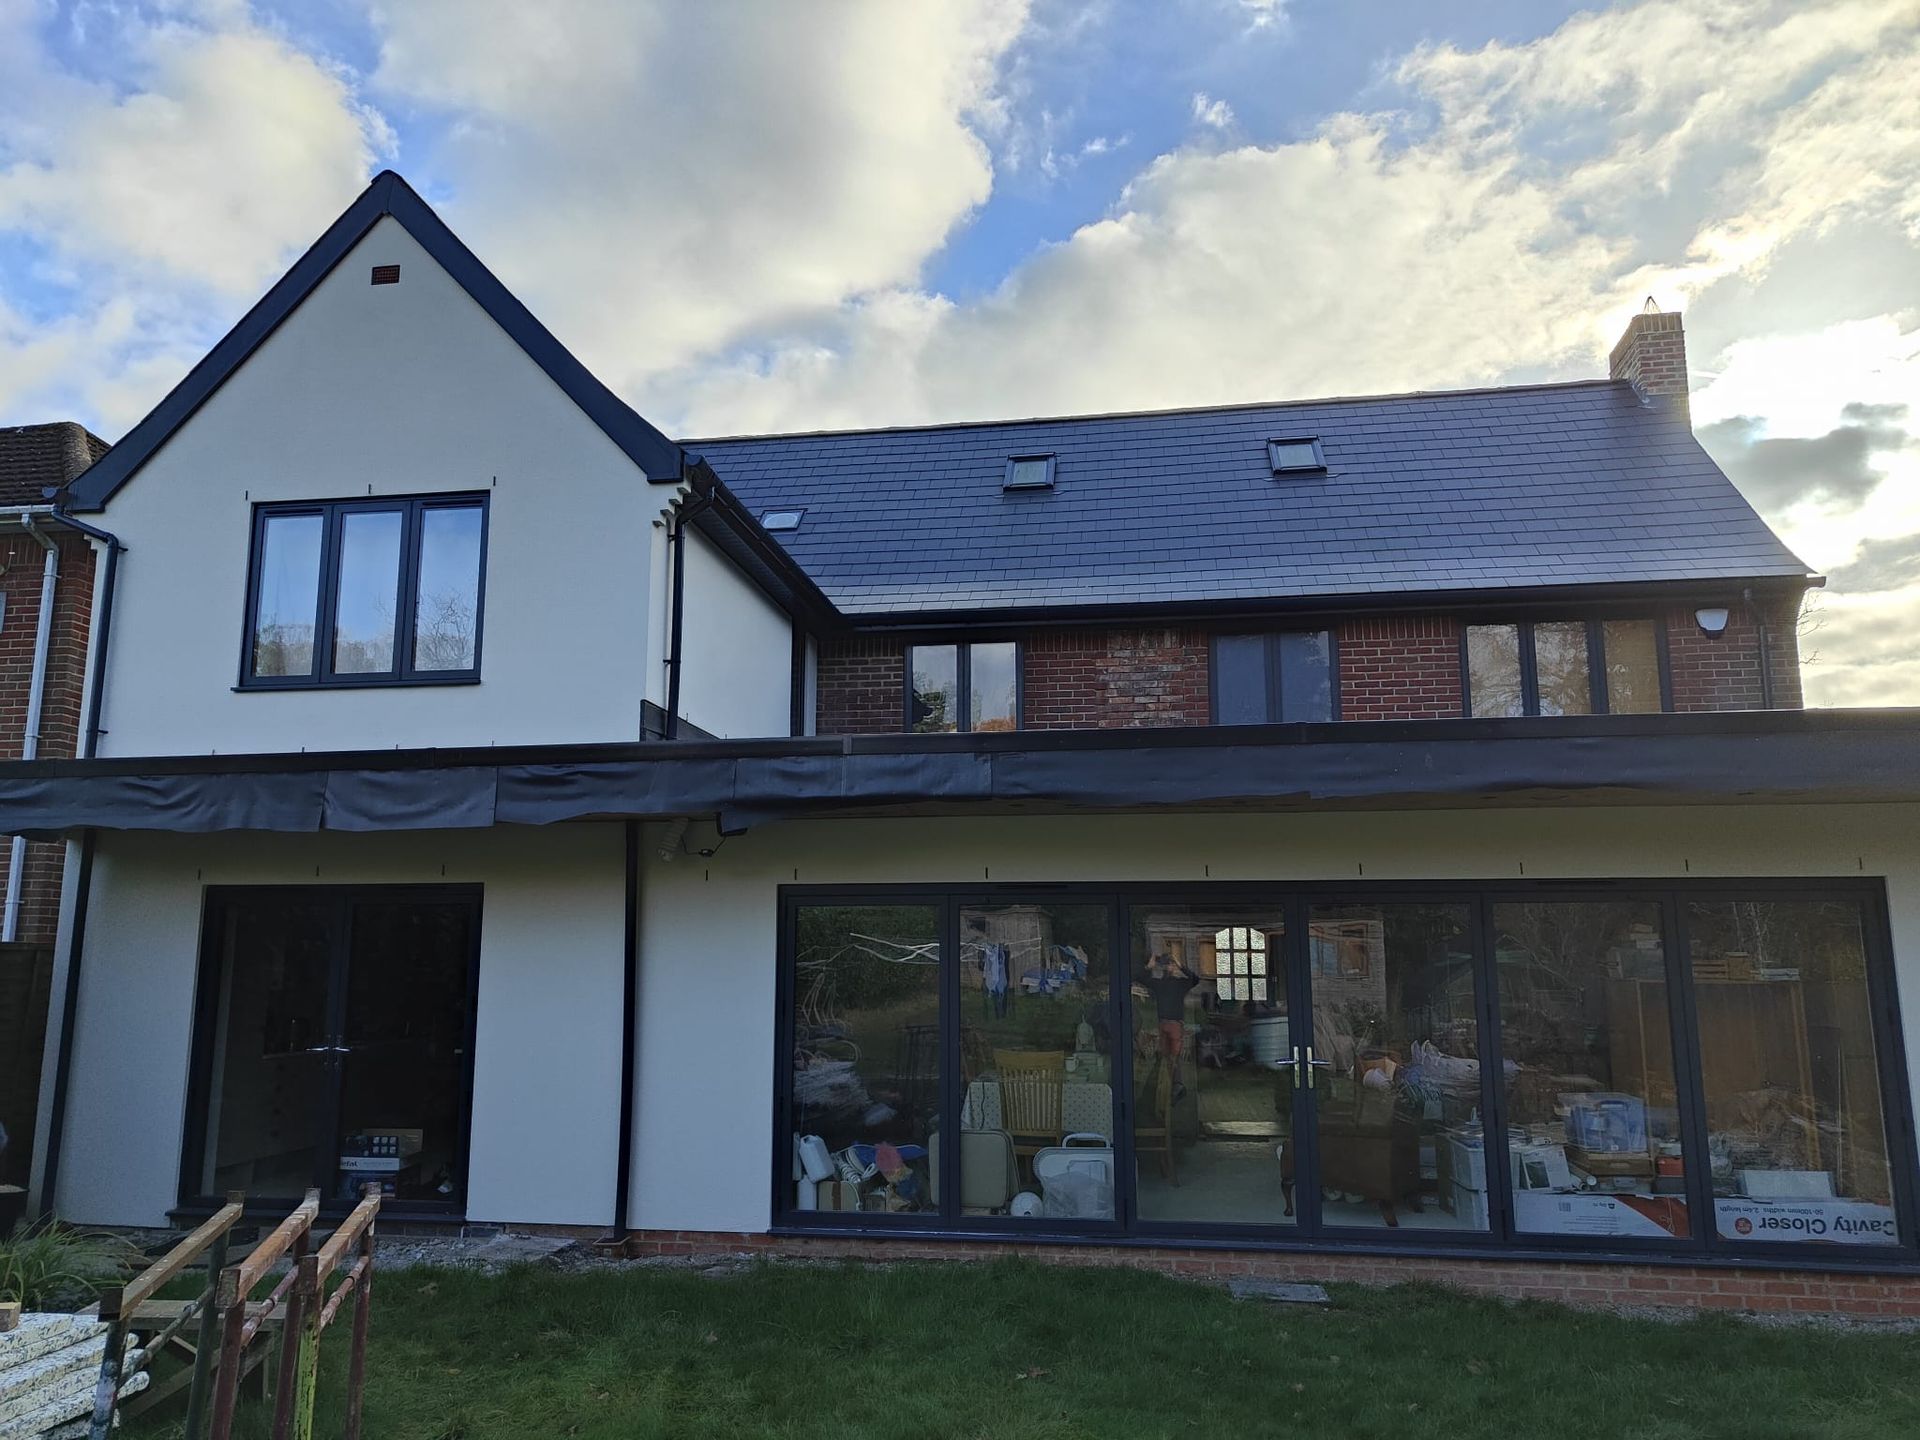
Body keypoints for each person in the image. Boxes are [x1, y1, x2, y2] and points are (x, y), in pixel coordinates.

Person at [1140, 952, 1199, 1100]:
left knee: (1171, 1057)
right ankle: (1173, 1087)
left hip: (1173, 1025)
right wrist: (1151, 966)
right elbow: (1140, 979)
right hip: (1167, 1025)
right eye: (1169, 964)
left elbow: (1195, 980)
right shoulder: (1163, 984)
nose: (1169, 967)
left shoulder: (1177, 984)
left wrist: (1150, 967)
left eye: (1171, 964)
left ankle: (1175, 1086)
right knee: (1168, 1057)